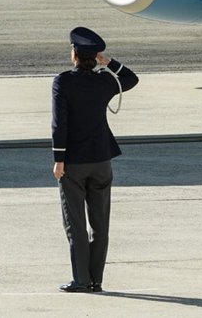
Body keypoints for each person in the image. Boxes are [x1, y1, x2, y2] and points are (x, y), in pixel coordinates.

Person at [51, 26, 139, 294]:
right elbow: (131, 78)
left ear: (74, 55)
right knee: (100, 223)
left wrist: (59, 159)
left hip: (74, 163)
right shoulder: (104, 81)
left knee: (75, 223)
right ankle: (96, 280)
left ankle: (81, 280)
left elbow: (59, 124)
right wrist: (108, 61)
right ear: (94, 57)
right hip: (102, 160)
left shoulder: (63, 82)